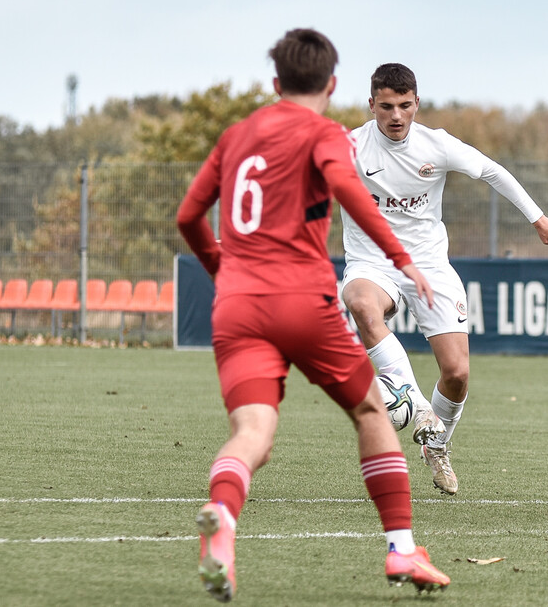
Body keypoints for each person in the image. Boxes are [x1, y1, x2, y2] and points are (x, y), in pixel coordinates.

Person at [176, 30, 450, 601]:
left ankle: (222, 516)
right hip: (301, 301)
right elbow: (351, 195)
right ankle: (402, 550)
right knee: (374, 413)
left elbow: (188, 217)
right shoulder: (325, 134)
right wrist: (402, 258)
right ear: (332, 83)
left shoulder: (236, 136)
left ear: (275, 83)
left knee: (253, 432)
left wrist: (221, 269)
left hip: (237, 307)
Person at [339, 62, 548, 496]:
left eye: (405, 106)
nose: (395, 116)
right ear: (371, 105)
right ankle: (414, 403)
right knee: (360, 302)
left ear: (417, 104)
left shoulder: (437, 145)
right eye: (386, 106)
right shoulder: (348, 148)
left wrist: (538, 218)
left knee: (458, 372)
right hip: (373, 260)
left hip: (428, 264)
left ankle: (437, 445)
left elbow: (493, 172)